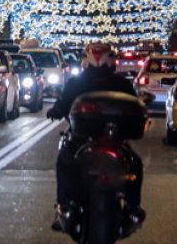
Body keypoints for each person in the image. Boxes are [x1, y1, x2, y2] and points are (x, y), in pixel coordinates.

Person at [46, 42, 144, 228]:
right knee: (136, 164)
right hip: (112, 142)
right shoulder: (121, 84)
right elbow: (136, 105)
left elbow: (63, 104)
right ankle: (132, 208)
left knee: (64, 161)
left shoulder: (76, 83)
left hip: (85, 141)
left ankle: (63, 205)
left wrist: (55, 111)